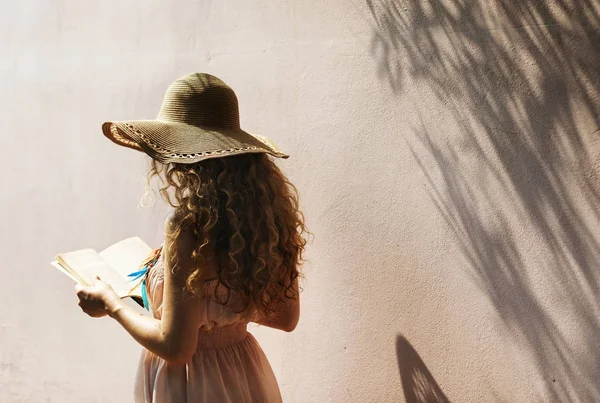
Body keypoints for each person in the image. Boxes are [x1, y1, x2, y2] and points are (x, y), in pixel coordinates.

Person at [74, 73, 307, 402]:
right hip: (245, 374)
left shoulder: (189, 227)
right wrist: (219, 304)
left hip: (190, 383)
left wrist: (112, 303)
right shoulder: (268, 217)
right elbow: (285, 317)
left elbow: (176, 348)